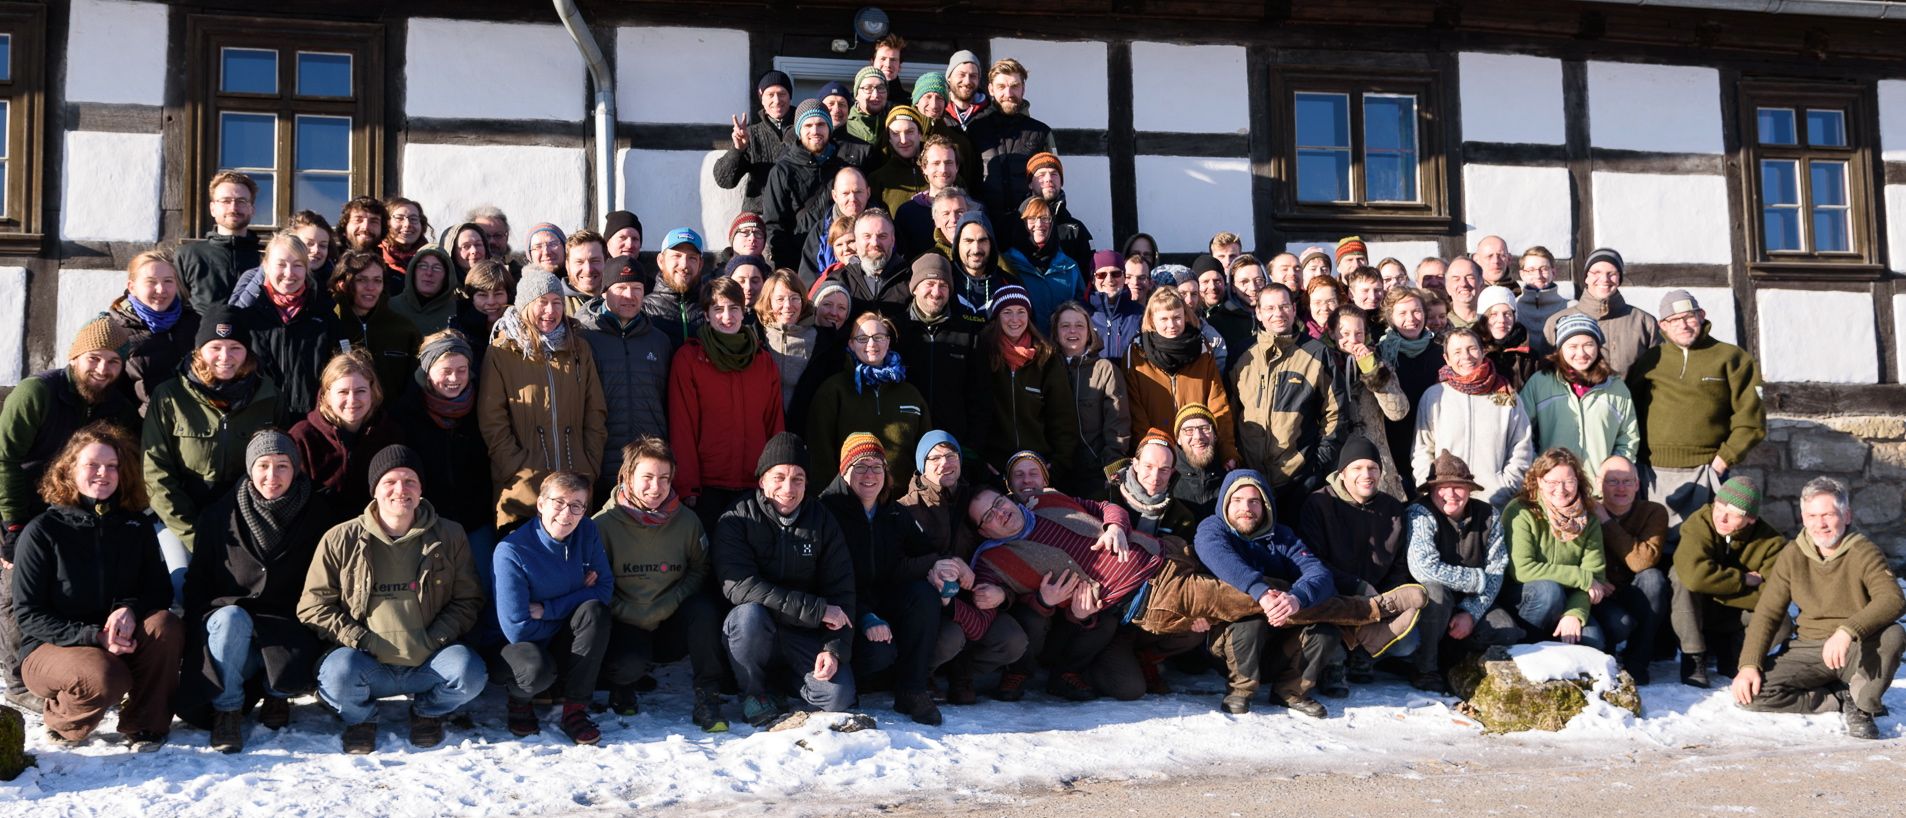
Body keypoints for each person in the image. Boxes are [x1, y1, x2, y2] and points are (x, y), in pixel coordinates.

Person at [300, 445, 487, 754]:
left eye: (410, 481)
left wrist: (434, 639)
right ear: (375, 490)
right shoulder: (340, 538)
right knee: (337, 677)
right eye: (390, 482)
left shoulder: (450, 535)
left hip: (428, 661)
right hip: (367, 663)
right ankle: (361, 720)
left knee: (470, 673)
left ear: (421, 488)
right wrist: (362, 640)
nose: (401, 490)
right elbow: (313, 606)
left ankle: (426, 713)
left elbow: (468, 599)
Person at [1192, 469, 1424, 716]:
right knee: (1251, 621)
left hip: (1278, 644)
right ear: (1225, 503)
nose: (1245, 508)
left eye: (1254, 501)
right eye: (1237, 501)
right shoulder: (1213, 529)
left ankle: (1290, 691)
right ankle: (1240, 691)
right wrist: (1261, 593)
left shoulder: (1282, 536)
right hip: (1229, 649)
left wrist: (1296, 598)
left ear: (1266, 505)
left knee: (1323, 630)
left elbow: (1319, 574)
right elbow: (1219, 557)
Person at [13, 423, 181, 750]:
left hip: (118, 638)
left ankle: (146, 723)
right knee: (106, 674)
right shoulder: (43, 531)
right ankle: (64, 722)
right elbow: (29, 615)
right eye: (92, 465)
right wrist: (95, 637)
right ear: (69, 470)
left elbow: (159, 590)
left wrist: (129, 609)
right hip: (51, 647)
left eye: (112, 466)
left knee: (166, 625)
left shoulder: (135, 524)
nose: (103, 473)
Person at [0, 319, 139, 710]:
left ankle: (70, 666)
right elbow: (5, 458)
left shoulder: (118, 409)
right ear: (75, 356)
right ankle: (17, 680)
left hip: (73, 514)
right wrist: (13, 524)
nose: (103, 369)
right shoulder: (37, 393)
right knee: (14, 593)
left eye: (113, 361)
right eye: (94, 358)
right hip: (20, 506)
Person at [179, 430, 335, 751]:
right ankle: (228, 709)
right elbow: (197, 583)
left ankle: (276, 692)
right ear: (250, 469)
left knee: (289, 665)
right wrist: (196, 638)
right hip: (232, 628)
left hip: (289, 627)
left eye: (282, 466)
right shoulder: (219, 514)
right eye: (263, 465)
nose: (272, 476)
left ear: (295, 468)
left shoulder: (320, 514)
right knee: (231, 619)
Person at [1732, 477, 1904, 740]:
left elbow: (1893, 598)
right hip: (1811, 646)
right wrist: (1748, 665)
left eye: (1828, 515)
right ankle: (1837, 697)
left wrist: (1847, 631)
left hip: (1856, 646)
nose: (1819, 524)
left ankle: (1862, 704)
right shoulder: (1793, 554)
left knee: (1893, 635)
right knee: (1752, 694)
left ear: (1846, 515)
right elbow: (1768, 612)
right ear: (1803, 517)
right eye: (1812, 515)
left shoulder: (1863, 551)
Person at [962, 484, 1160, 702]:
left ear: (1009, 499)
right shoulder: (990, 561)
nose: (1000, 513)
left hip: (1124, 593)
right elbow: (989, 602)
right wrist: (1033, 601)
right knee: (1128, 685)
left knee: (1113, 623)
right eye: (989, 515)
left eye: (999, 503)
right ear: (983, 532)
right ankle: (1030, 672)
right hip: (1061, 631)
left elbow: (1104, 507)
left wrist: (1115, 526)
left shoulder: (1047, 500)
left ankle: (1088, 669)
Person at [715, 433, 857, 726]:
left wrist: (834, 649)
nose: (788, 489)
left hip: (800, 635)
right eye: (778, 477)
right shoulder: (737, 517)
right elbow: (739, 586)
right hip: (757, 628)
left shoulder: (822, 520)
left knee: (838, 696)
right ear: (762, 480)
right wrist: (817, 610)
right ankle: (755, 691)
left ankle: (782, 684)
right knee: (747, 616)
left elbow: (841, 589)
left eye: (798, 479)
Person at [595, 437, 725, 730]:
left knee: (704, 610)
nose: (656, 487)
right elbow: (594, 584)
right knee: (627, 662)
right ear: (627, 477)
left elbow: (699, 569)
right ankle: (622, 684)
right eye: (648, 477)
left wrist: (672, 601)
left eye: (664, 478)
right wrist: (628, 612)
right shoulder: (602, 525)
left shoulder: (687, 522)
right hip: (625, 622)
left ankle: (708, 695)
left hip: (669, 618)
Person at [819, 435, 947, 724]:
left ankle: (911, 689)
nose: (870, 475)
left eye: (877, 466)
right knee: (880, 654)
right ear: (843, 471)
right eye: (860, 466)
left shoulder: (893, 511)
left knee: (923, 596)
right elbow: (824, 581)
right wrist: (865, 616)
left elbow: (927, 550)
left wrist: (943, 568)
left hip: (883, 601)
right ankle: (859, 680)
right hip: (842, 611)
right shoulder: (825, 511)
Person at [143, 306, 281, 558]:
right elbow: (156, 473)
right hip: (182, 521)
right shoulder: (170, 396)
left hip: (246, 520)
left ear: (247, 352)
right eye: (215, 347)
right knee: (181, 582)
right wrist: (194, 536)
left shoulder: (269, 396)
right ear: (199, 351)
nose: (225, 357)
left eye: (235, 348)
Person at [477, 266, 609, 528]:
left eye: (557, 302)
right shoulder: (503, 351)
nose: (551, 311)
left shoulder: (578, 348)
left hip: (575, 487)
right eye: (543, 302)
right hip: (523, 492)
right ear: (526, 305)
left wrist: (590, 464)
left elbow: (595, 411)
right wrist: (516, 469)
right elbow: (493, 420)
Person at [492, 471, 612, 745]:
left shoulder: (587, 531)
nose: (566, 514)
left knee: (595, 612)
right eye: (558, 503)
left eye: (576, 506)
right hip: (515, 648)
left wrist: (548, 608)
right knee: (536, 670)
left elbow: (603, 590)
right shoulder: (512, 550)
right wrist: (580, 592)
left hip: (556, 631)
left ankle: (575, 710)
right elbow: (517, 629)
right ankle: (520, 701)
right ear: (541, 505)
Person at [1628, 290, 1766, 525]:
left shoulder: (1732, 358)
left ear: (1702, 315)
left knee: (1707, 539)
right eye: (1673, 320)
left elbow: (1751, 420)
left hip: (1709, 470)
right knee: (1657, 541)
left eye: (1689, 317)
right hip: (1653, 473)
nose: (1683, 325)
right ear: (1663, 325)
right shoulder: (1651, 360)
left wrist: (1724, 460)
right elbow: (1630, 410)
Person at [1299, 436, 1423, 689]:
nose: (1366, 474)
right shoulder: (1320, 503)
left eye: (1373, 468)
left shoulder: (1392, 509)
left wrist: (1382, 599)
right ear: (1342, 473)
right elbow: (1312, 561)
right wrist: (1357, 586)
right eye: (1357, 468)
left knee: (1409, 642)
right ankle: (1333, 661)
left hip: (1376, 600)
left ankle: (1363, 654)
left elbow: (1399, 564)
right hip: (1333, 596)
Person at [668, 276, 785, 529]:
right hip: (707, 485)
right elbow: (682, 425)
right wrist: (687, 485)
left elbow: (774, 422)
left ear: (744, 312)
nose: (727, 316)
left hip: (755, 484)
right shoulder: (689, 358)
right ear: (707, 315)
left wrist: (775, 477)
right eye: (718, 309)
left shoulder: (762, 361)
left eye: (734, 308)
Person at [1404, 451, 1520, 693]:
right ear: (1431, 490)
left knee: (1506, 629)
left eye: (1458, 487)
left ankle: (1454, 662)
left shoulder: (1489, 516)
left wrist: (1471, 612)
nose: (1451, 494)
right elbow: (1423, 567)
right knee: (1433, 593)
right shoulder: (1419, 512)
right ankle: (1424, 668)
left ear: (1469, 489)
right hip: (1435, 601)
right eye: (1442, 487)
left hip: (1472, 601)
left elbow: (1496, 571)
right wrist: (1475, 579)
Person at [1233, 284, 1344, 521]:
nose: (1278, 313)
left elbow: (1336, 412)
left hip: (1299, 479)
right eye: (1270, 308)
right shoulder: (1242, 354)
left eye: (1284, 306)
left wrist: (1319, 462)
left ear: (1294, 309)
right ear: (1258, 313)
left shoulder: (1316, 353)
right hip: (1250, 479)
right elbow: (1229, 411)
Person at [1671, 477, 1787, 688]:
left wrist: (1713, 584)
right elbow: (1694, 576)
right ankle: (1693, 655)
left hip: (1736, 618)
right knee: (1680, 578)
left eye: (1733, 513)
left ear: (1751, 519)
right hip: (1699, 610)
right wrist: (1743, 579)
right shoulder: (1700, 522)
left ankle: (1738, 654)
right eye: (1719, 507)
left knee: (1783, 624)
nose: (1721, 518)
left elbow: (1774, 595)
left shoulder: (1771, 543)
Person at [390, 330, 494, 555]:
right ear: (428, 372)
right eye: (446, 371)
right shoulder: (405, 414)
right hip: (427, 523)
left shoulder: (484, 407)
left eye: (461, 370)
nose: (454, 379)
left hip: (478, 520)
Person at [578, 255, 672, 501]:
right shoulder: (585, 337)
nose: (629, 296)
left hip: (648, 468)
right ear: (605, 292)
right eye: (621, 288)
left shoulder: (659, 341)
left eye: (636, 289)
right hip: (599, 462)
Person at [1501, 447, 1611, 650]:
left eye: (1568, 481)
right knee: (1548, 591)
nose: (1560, 489)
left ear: (1578, 481)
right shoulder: (1520, 511)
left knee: (1592, 642)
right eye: (1552, 482)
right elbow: (1523, 570)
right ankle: (1526, 648)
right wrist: (1581, 577)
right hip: (1524, 597)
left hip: (1569, 599)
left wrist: (1574, 613)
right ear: (1540, 481)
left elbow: (1596, 577)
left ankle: (1556, 645)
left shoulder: (1589, 519)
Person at [1411, 327, 1533, 508]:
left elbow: (1521, 447)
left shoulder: (1506, 395)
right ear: (1447, 359)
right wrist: (1433, 489)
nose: (1466, 356)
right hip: (1446, 502)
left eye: (1471, 349)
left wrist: (1506, 487)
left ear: (1483, 351)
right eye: (1457, 352)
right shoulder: (1434, 396)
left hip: (1496, 501)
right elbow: (1422, 450)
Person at [808, 311, 933, 486]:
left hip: (903, 502)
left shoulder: (910, 393)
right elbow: (821, 454)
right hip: (849, 503)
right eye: (862, 338)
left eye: (879, 337)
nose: (872, 344)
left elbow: (925, 452)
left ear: (888, 341)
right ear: (851, 344)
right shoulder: (834, 390)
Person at [979, 285, 1079, 485]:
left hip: (1038, 469)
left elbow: (1063, 418)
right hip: (994, 468)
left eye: (1021, 312)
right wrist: (980, 463)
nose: (1015, 319)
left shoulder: (1046, 358)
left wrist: (1058, 465)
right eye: (1007, 312)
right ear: (997, 316)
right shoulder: (982, 352)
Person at [1125, 289, 1236, 469]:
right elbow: (1135, 411)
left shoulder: (1202, 350)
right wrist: (1147, 449)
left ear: (1185, 316)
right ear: (1152, 320)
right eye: (1164, 319)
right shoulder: (1136, 353)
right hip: (1156, 456)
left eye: (1177, 317)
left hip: (1195, 450)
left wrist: (1227, 450)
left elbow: (1218, 404)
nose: (1172, 325)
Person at [242, 231, 343, 426]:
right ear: (266, 266)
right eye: (281, 264)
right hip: (259, 425)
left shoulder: (325, 316)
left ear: (306, 270)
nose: (289, 273)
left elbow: (340, 370)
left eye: (298, 265)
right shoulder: (248, 319)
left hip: (313, 426)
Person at [288, 349, 405, 517]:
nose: (352, 400)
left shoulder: (391, 434)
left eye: (360, 391)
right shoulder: (302, 437)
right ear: (326, 396)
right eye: (343, 392)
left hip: (378, 530)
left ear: (373, 393)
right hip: (318, 533)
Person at [1522, 313, 1639, 468]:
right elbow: (1521, 431)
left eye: (1588, 345)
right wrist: (1539, 467)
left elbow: (1628, 438)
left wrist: (1614, 472)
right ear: (1560, 349)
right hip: (1554, 486)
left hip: (1600, 486)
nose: (1581, 353)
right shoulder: (1540, 382)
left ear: (1598, 347)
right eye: (1573, 346)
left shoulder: (1616, 388)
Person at [895, 254, 988, 448]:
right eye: (929, 283)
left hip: (952, 443)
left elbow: (979, 396)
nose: (936, 292)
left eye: (943, 285)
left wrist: (973, 447)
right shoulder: (895, 331)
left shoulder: (968, 333)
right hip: (905, 440)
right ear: (915, 288)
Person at [764, 100, 870, 267]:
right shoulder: (782, 171)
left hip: (842, 260)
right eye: (808, 126)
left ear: (829, 127)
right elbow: (774, 225)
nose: (815, 131)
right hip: (798, 261)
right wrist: (785, 268)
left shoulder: (844, 169)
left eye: (821, 124)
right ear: (799, 130)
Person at [1593, 455, 1669, 683]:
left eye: (1627, 481)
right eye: (1612, 481)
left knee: (1653, 579)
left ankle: (1638, 662)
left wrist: (1606, 521)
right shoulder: (1585, 512)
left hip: (1634, 591)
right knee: (1617, 626)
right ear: (1599, 483)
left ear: (1637, 484)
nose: (1621, 488)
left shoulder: (1653, 512)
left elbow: (1641, 562)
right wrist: (1594, 579)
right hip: (1599, 595)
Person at [107, 251, 202, 415]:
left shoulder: (195, 323)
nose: (161, 289)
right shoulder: (113, 329)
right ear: (132, 287)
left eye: (168, 281)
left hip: (192, 426)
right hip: (140, 430)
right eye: (151, 282)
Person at [1331, 306, 1410, 502]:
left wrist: (1373, 372)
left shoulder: (1380, 365)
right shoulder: (1324, 365)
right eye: (1345, 333)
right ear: (1332, 333)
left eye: (1359, 333)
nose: (1353, 339)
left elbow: (1398, 412)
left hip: (1376, 463)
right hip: (1337, 463)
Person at [1543, 247, 1659, 377]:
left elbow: (1657, 374)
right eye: (1596, 272)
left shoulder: (1644, 322)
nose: (1604, 279)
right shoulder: (1557, 322)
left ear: (1619, 278)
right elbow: (1548, 372)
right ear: (1586, 277)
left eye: (1612, 273)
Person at [966, 59, 1057, 214]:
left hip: (1029, 224)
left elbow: (1054, 181)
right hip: (986, 224)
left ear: (1023, 89)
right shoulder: (975, 129)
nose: (1008, 94)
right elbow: (966, 179)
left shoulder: (1041, 132)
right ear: (991, 89)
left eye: (1015, 86)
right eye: (1001, 87)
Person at [1052, 300, 1130, 479]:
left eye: (1079, 325)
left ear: (1089, 333)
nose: (1073, 331)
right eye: (1065, 326)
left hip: (1095, 469)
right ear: (1056, 333)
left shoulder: (1105, 369)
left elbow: (1118, 423)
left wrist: (1112, 465)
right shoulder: (1045, 368)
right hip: (1054, 470)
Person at [1377, 287, 1443, 493]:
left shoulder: (1441, 352)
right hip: (1395, 443)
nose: (1411, 318)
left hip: (1431, 441)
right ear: (1390, 318)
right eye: (1402, 313)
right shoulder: (1381, 354)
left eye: (1416, 311)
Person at [329, 252, 421, 398]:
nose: (371, 287)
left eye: (377, 280)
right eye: (361, 280)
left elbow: (415, 384)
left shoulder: (404, 329)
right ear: (342, 283)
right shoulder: (330, 325)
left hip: (392, 418)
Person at [180, 171, 263, 314]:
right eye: (225, 201)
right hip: (201, 336)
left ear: (252, 209)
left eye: (242, 201)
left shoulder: (266, 258)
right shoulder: (188, 255)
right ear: (212, 208)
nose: (233, 208)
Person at [714, 70, 795, 214]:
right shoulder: (751, 134)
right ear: (761, 99)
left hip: (796, 218)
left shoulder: (806, 130)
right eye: (770, 95)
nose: (776, 100)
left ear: (790, 97)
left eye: (782, 94)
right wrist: (738, 150)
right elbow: (724, 180)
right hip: (759, 221)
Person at [1002, 197, 1083, 329]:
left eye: (1045, 218)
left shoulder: (1069, 266)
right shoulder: (1008, 265)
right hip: (1025, 346)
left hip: (1063, 346)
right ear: (1021, 222)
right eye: (1032, 218)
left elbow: (1082, 308)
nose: (1039, 224)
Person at [1023, 152, 1094, 265]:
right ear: (1030, 184)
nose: (1048, 179)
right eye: (1041, 175)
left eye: (1054, 174)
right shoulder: (1017, 224)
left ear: (1061, 182)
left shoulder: (1075, 229)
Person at [643, 228, 708, 346]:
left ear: (700, 264)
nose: (684, 265)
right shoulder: (643, 311)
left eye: (692, 258)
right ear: (660, 261)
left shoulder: (712, 307)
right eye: (676, 256)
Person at [1478, 285, 1539, 389]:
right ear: (1483, 318)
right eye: (1493, 314)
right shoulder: (1474, 352)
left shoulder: (1529, 356)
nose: (1502, 320)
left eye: (1507, 314)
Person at [388, 244, 459, 335]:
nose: (429, 273)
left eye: (437, 268)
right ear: (413, 271)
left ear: (447, 276)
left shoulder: (457, 313)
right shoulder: (390, 308)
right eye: (423, 266)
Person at [871, 105, 928, 216]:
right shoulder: (877, 180)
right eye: (896, 134)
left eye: (909, 132)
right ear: (889, 139)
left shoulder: (939, 171)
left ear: (920, 134)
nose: (903, 140)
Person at [1171, 404, 1225, 516]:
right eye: (1188, 430)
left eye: (1205, 428)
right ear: (1178, 439)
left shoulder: (1229, 476)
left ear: (1215, 435)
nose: (1198, 436)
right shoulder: (1167, 478)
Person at [1514, 247, 1566, 351]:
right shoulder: (1513, 308)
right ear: (1522, 274)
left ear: (1554, 273)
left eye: (1544, 269)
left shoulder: (1570, 308)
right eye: (1531, 270)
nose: (1538, 275)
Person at [380, 197, 430, 285]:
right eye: (399, 218)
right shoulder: (374, 257)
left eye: (413, 219)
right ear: (386, 223)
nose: (407, 224)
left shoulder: (432, 258)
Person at [563, 230, 609, 313]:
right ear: (567, 266)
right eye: (579, 262)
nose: (588, 269)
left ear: (606, 262)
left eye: (595, 261)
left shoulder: (622, 302)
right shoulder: (557, 306)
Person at [1442, 258, 1482, 330]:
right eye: (1456, 279)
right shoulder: (1439, 324)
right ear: (1447, 287)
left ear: (1481, 283)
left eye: (1470, 277)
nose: (1463, 284)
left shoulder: (1493, 321)